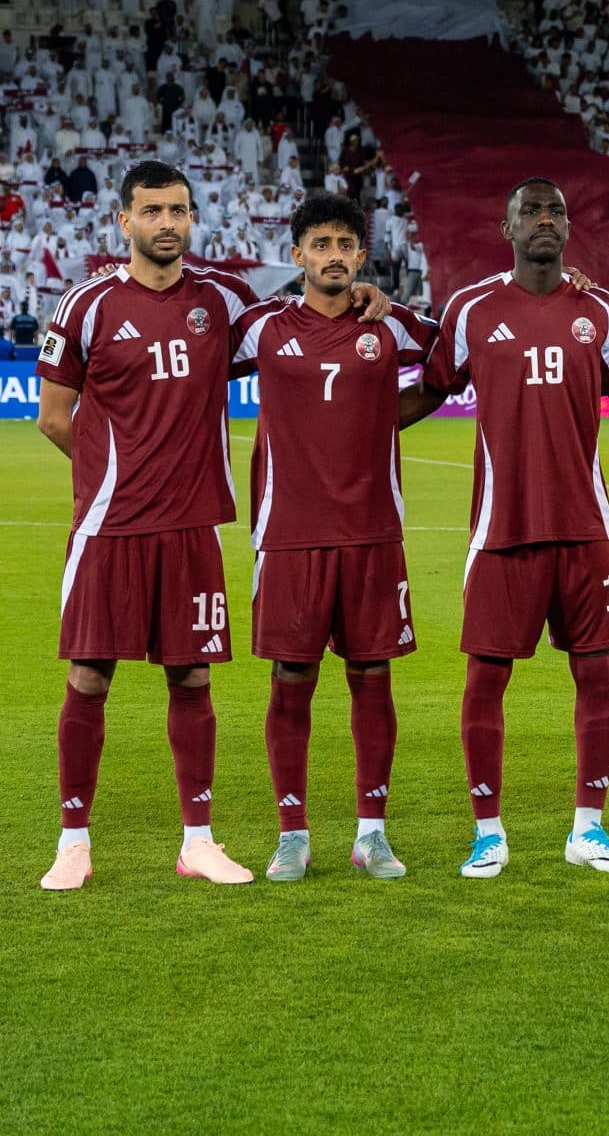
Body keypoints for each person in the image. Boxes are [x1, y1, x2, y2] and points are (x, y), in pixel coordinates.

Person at [33, 160, 386, 891]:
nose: (168, 223)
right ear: (124, 221)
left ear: (193, 220)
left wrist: (364, 296)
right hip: (110, 525)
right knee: (90, 676)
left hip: (194, 525)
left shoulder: (225, 305)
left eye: (180, 211)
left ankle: (198, 840)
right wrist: (111, 479)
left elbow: (312, 317)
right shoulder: (86, 305)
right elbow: (54, 416)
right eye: (153, 211)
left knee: (191, 677)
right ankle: (73, 842)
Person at [406, 179, 609, 878]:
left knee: (596, 672)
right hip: (502, 528)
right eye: (531, 211)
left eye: (555, 210)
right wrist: (346, 424)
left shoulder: (596, 310)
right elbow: (431, 389)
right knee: (486, 678)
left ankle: (588, 829)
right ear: (507, 228)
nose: (545, 221)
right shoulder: (471, 310)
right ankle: (487, 832)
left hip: (585, 527)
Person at [228, 192, 435, 881]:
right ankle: (293, 834)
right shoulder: (260, 329)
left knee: (371, 675)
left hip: (374, 531)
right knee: (292, 679)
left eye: (346, 245)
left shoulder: (390, 323)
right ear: (298, 256)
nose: (335, 257)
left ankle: (371, 833)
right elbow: (187, 351)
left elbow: (460, 355)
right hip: (289, 532)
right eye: (321, 245)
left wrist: (387, 417)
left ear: (362, 254)